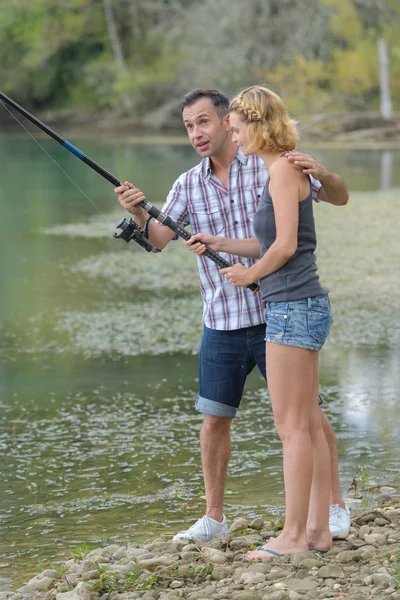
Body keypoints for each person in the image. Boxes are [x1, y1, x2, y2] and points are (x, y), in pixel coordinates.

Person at [115, 88, 351, 544]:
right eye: (188, 126)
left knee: (307, 417)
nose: (196, 133)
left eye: (204, 122)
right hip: (222, 318)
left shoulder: (269, 162)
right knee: (215, 418)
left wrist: (320, 170)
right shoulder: (188, 183)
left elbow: (324, 208)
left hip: (277, 310)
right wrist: (139, 209)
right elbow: (159, 237)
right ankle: (215, 517)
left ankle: (332, 508)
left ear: (229, 123)